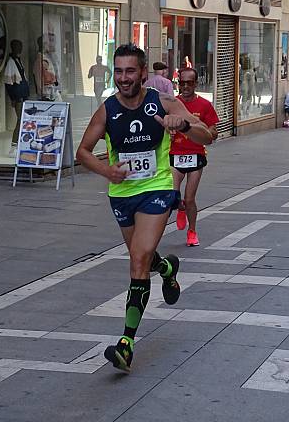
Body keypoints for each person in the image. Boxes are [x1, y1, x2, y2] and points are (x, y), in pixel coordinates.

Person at [76, 44, 213, 373]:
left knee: (137, 259)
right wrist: (106, 170)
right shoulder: (107, 110)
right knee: (145, 258)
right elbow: (82, 151)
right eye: (119, 71)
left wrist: (181, 126)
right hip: (122, 194)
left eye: (130, 71)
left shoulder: (163, 102)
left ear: (142, 74)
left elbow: (207, 135)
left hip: (157, 189)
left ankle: (126, 343)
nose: (124, 78)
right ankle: (167, 269)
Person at [170, 68, 219, 247]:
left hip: (195, 155)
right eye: (181, 83)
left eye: (189, 83)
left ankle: (192, 231)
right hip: (175, 154)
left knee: (190, 198)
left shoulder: (204, 105)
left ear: (196, 84)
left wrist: (200, 128)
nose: (185, 86)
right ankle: (179, 207)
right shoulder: (173, 103)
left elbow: (214, 133)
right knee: (172, 195)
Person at [4, 39, 30, 146]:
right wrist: (13, 98)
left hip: (23, 95)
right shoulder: (11, 62)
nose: (20, 48)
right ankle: (14, 144)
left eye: (20, 46)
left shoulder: (18, 61)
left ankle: (21, 142)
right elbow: (8, 83)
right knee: (20, 120)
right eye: (17, 46)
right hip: (18, 96)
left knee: (24, 120)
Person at [33, 35, 61, 101]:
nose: (49, 45)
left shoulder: (49, 57)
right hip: (47, 95)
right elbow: (38, 79)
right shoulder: (40, 59)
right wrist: (43, 95)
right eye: (47, 43)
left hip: (52, 92)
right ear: (44, 44)